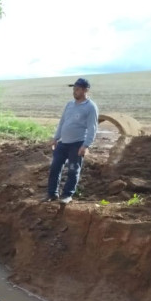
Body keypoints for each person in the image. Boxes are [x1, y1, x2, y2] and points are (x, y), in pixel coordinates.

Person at [46, 77, 99, 205]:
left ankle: (67, 195)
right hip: (63, 143)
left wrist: (86, 145)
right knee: (55, 168)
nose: (74, 91)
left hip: (77, 144)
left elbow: (92, 128)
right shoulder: (69, 105)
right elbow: (62, 122)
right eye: (74, 89)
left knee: (73, 170)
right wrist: (55, 138)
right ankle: (52, 194)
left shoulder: (91, 107)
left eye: (78, 89)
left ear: (86, 90)